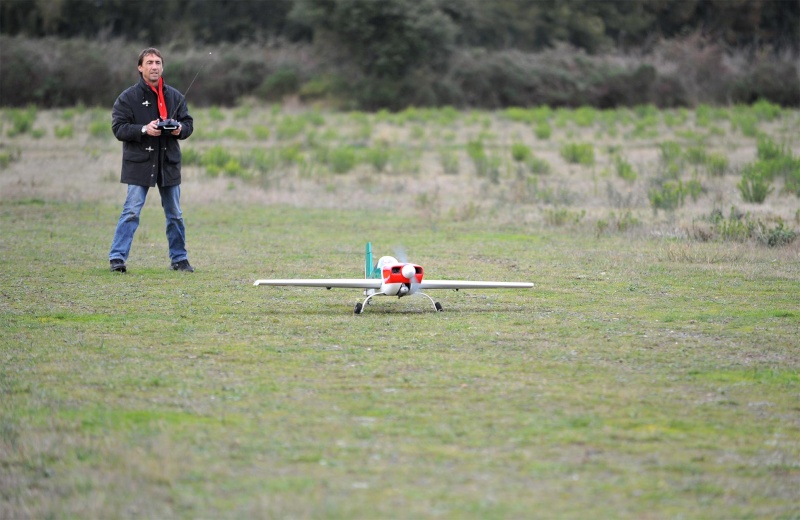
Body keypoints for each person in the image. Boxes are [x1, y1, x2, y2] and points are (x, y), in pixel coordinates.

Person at [108, 47, 195, 273]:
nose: (154, 66)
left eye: (157, 62)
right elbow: (118, 128)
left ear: (162, 66)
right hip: (139, 163)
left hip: (168, 163)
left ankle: (179, 259)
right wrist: (144, 129)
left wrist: (178, 130)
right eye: (149, 63)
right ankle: (117, 258)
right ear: (140, 68)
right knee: (131, 211)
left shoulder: (175, 96)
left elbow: (188, 124)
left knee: (175, 213)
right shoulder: (127, 98)